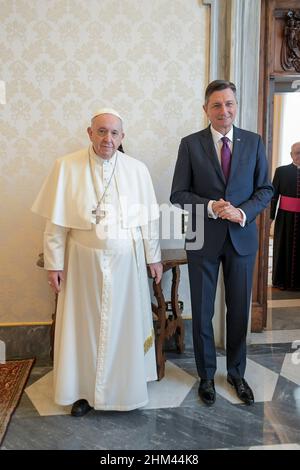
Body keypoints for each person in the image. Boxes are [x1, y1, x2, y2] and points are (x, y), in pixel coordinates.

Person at [32, 108, 162, 416]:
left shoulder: (137, 170)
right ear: (89, 133)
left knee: (124, 327)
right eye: (101, 131)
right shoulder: (66, 167)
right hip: (81, 264)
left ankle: (125, 391)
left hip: (127, 265)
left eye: (114, 133)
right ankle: (82, 393)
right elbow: (56, 225)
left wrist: (153, 258)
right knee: (83, 329)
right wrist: (54, 264)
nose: (108, 138)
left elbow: (149, 222)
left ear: (122, 137)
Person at [170, 80, 273, 406]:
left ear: (235, 106)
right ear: (206, 110)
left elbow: (265, 190)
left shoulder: (254, 142)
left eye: (229, 104)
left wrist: (242, 212)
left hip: (242, 239)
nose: (223, 110)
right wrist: (211, 207)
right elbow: (178, 194)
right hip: (203, 239)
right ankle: (206, 377)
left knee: (239, 311)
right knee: (201, 313)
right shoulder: (190, 144)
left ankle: (237, 374)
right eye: (216, 105)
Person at [270, 142, 300, 290]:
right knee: (283, 247)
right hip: (285, 218)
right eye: (297, 153)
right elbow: (273, 196)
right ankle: (281, 280)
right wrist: (270, 218)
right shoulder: (281, 171)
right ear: (291, 155)